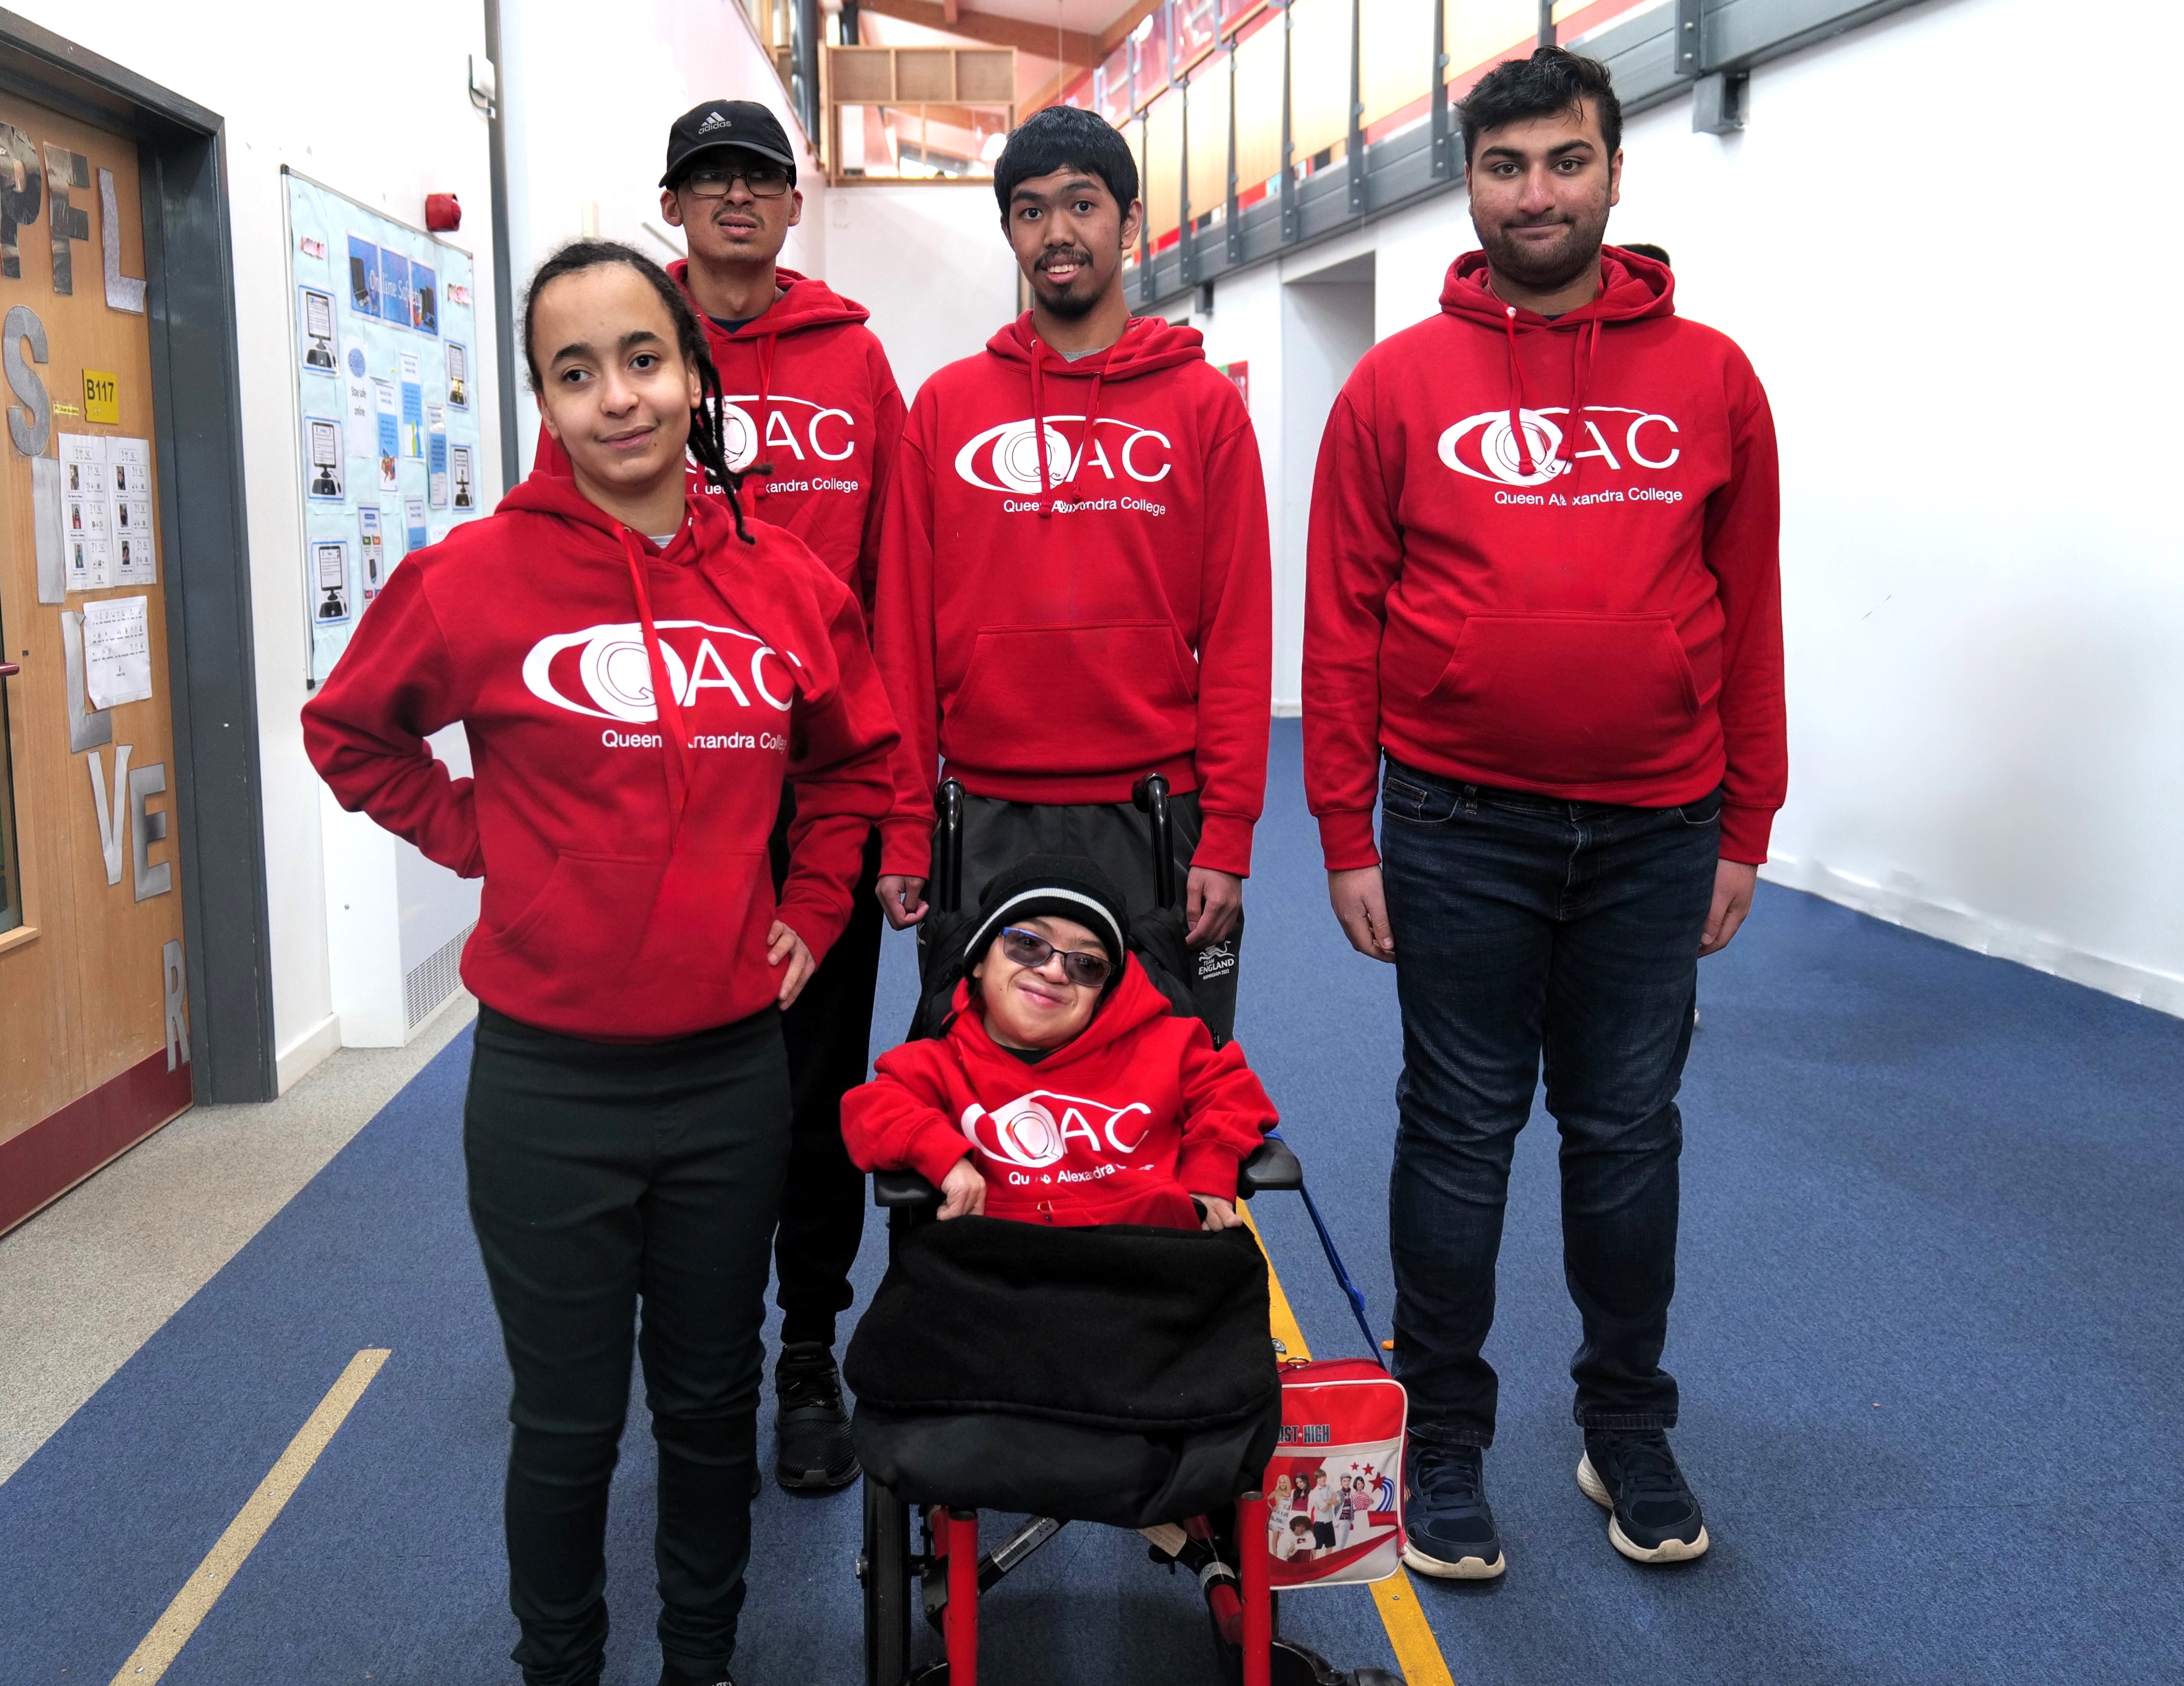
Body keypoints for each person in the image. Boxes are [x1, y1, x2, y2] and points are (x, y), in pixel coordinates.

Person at [303, 240, 899, 1686]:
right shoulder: (476, 580)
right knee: (566, 1427)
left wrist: (813, 916)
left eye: (643, 358)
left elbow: (853, 768)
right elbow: (350, 730)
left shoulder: (783, 586)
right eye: (576, 372)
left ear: (696, 378)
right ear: (544, 402)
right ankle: (557, 1666)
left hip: (723, 1083)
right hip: (547, 1093)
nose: (617, 397)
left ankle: (703, 1660)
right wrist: (489, 844)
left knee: (707, 1415)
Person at [1303, 47, 1783, 1580]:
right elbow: (1342, 622)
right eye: (1505, 167)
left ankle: (1621, 1423)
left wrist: (1746, 819)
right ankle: (1439, 1433)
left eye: (1563, 162)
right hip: (1455, 820)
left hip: (1655, 825)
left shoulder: (1712, 377)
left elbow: (1751, 606)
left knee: (1626, 1136)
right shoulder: (1395, 384)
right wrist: (1345, 826)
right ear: (1469, 181)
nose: (1535, 194)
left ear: (1614, 171)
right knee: (1455, 1135)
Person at [536, 98, 909, 1494]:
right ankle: (703, 1364)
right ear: (674, 207)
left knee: (812, 1104)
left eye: (760, 178)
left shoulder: (859, 359)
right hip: (657, 802)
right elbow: (546, 573)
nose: (736, 201)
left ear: (790, 206)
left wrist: (894, 807)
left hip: (812, 801)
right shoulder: (622, 356)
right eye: (710, 183)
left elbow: (897, 593)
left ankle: (806, 1351)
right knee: (665, 1109)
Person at [871, 104, 1272, 1045]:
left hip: (1155, 814)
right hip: (984, 814)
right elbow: (900, 636)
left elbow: (1241, 631)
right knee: (979, 1092)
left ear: (1128, 222)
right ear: (1009, 229)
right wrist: (901, 822)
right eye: (1028, 210)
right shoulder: (944, 407)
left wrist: (1231, 834)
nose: (1055, 233)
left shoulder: (1202, 408)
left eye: (1080, 205)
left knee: (1162, 1086)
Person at [841, 856, 1274, 1229]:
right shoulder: (941, 1061)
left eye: (1086, 964)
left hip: (1148, 1262)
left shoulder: (1166, 1046)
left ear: (1104, 991)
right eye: (1027, 945)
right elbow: (870, 1110)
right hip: (1001, 1269)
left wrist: (1210, 1174)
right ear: (977, 963)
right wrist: (946, 1161)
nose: (1053, 972)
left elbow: (1233, 1093)